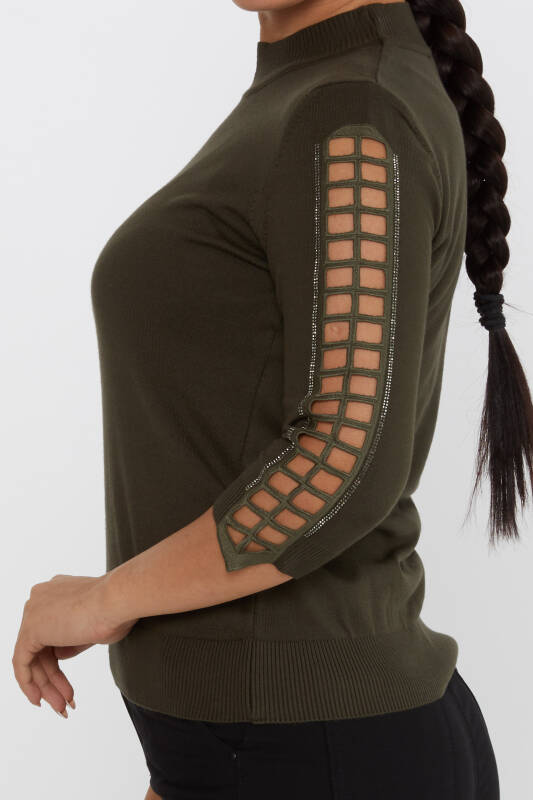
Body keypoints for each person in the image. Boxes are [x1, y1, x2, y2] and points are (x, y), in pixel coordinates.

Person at [12, 0, 533, 797]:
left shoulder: (354, 111)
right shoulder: (312, 85)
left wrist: (105, 600)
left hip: (311, 749)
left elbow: (343, 457)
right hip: (257, 748)